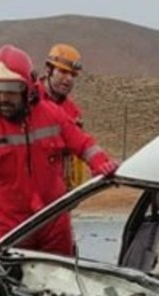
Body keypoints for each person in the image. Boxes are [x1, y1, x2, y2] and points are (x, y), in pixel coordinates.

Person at [0, 44, 117, 256]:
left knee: (65, 282)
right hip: (11, 226)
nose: (3, 98)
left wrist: (101, 163)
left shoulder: (53, 115)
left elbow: (83, 143)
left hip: (54, 220)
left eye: (11, 91)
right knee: (7, 282)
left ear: (27, 89)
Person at [37, 43, 92, 191]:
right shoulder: (29, 100)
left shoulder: (73, 111)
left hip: (58, 193)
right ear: (48, 69)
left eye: (73, 75)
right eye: (63, 72)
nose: (68, 79)